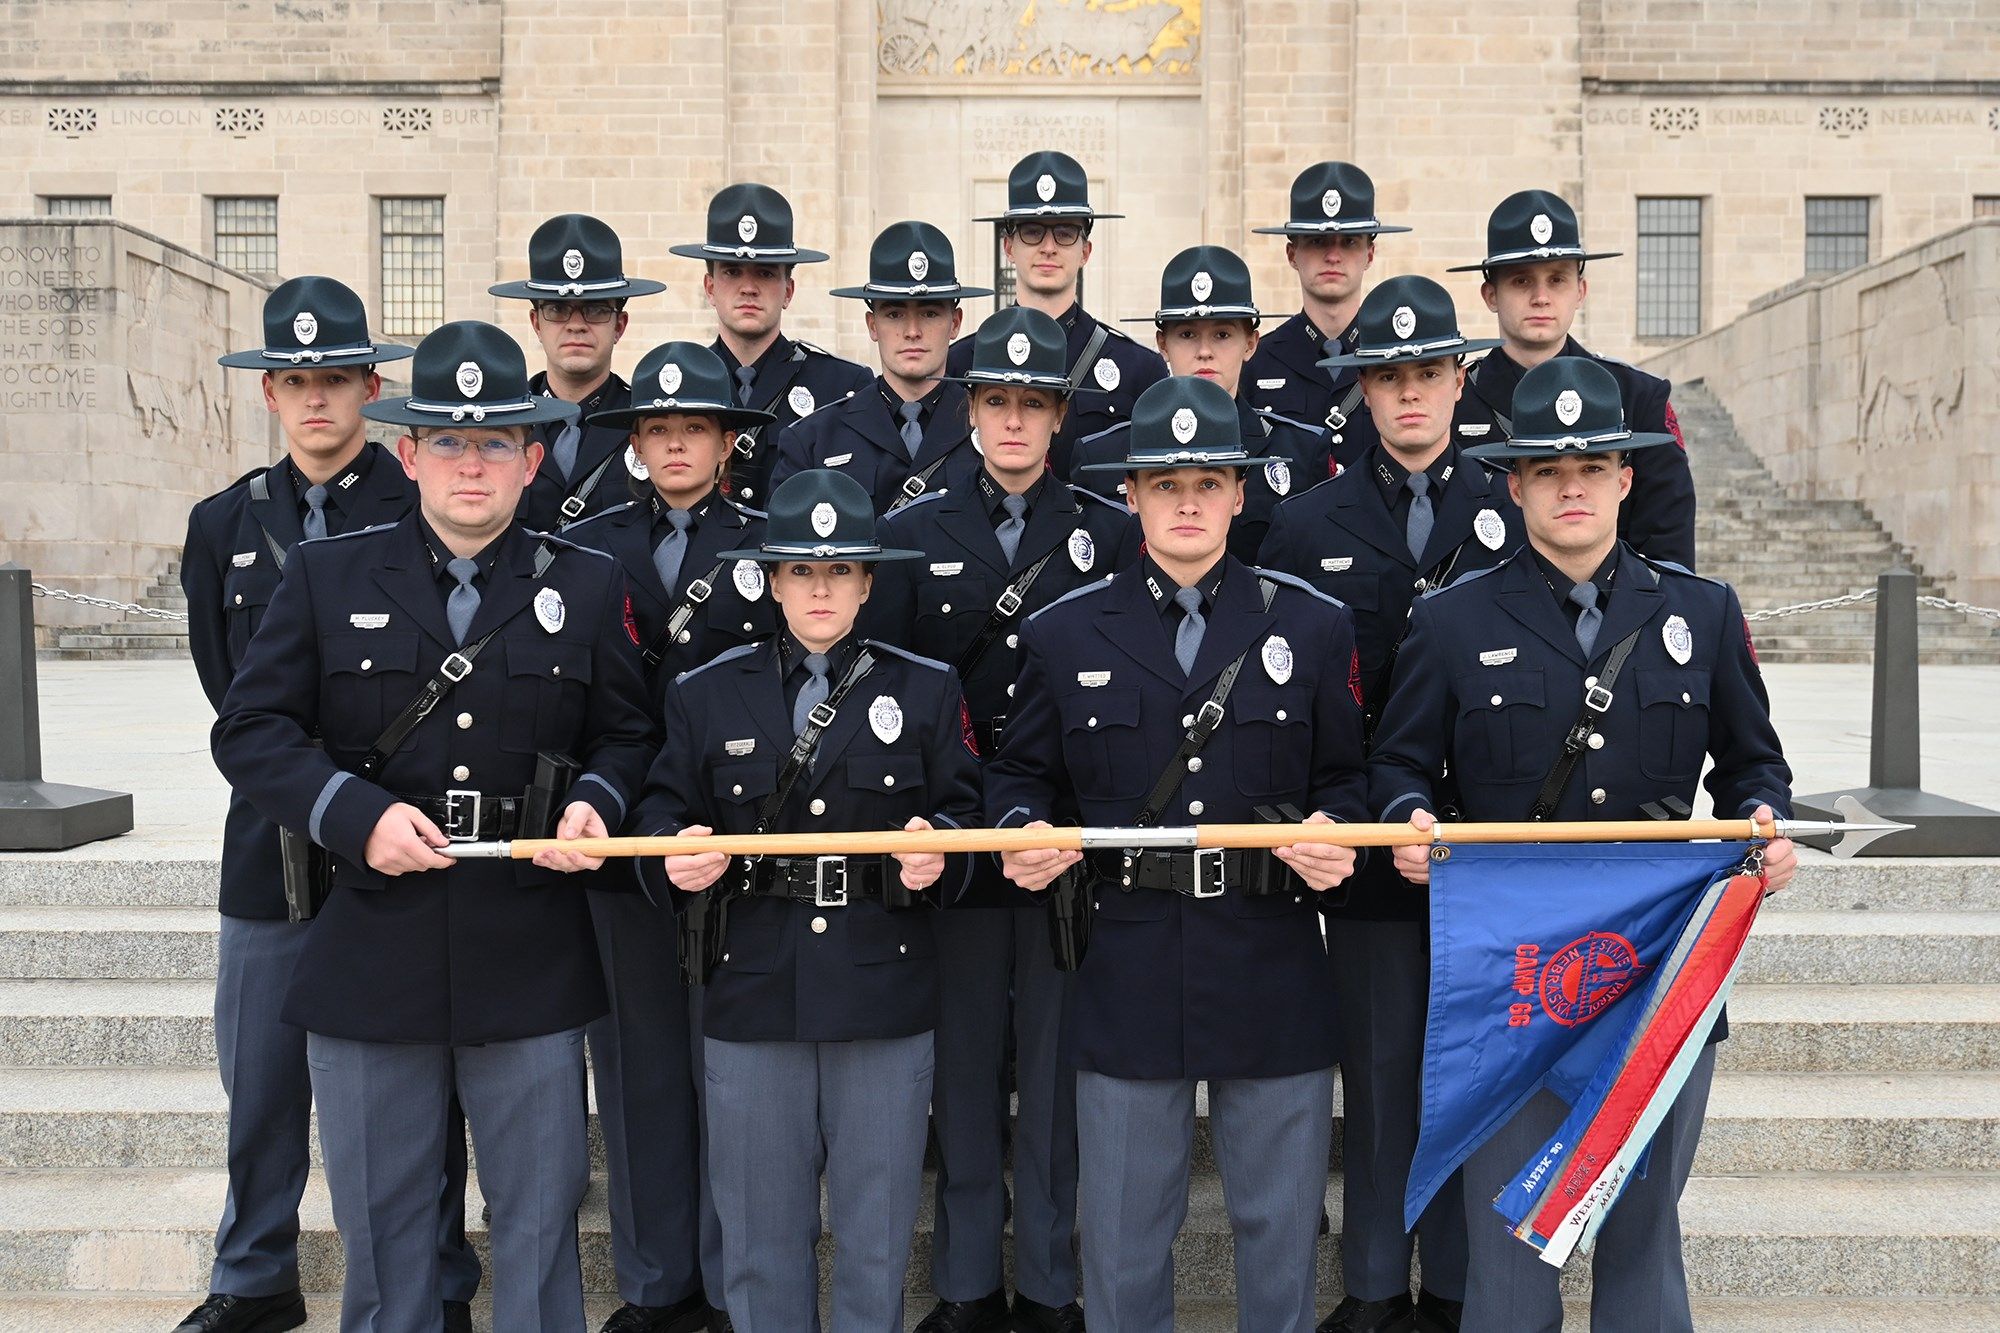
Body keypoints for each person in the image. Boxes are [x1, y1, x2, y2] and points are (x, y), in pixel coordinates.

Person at [210, 320, 657, 1333]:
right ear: (406, 451)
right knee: (384, 1231)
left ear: (532, 458)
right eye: (447, 442)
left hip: (529, 943)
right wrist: (352, 817)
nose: (471, 463)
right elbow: (251, 729)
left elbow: (631, 733)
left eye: (496, 441)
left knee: (539, 1227)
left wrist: (598, 801)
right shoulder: (328, 577)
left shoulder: (582, 582)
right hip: (372, 940)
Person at [1368, 357, 1797, 1333]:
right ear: (1512, 482)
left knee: (1642, 1241)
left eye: (1591, 465)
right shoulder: (1448, 620)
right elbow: (1395, 771)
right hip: (1514, 985)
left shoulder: (1700, 613)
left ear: (1622, 478)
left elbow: (1750, 769)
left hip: (1656, 982)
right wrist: (1405, 821)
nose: (1570, 485)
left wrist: (1766, 826)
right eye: (1547, 469)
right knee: (1510, 1254)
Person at [986, 375, 1368, 1333]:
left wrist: (1336, 836)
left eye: (1208, 480)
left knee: (1277, 1229)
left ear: (1241, 493)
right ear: (1131, 496)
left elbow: (1346, 780)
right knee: (1120, 1235)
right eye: (1165, 482)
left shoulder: (1311, 626)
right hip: (1127, 959)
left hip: (1271, 953)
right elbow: (1020, 775)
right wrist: (1023, 831)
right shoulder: (1067, 631)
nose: (1188, 500)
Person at [176, 275, 482, 1333]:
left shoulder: (419, 511)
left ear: (371, 387)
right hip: (268, 845)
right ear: (269, 393)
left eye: (336, 379)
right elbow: (235, 696)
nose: (315, 399)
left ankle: (436, 1277)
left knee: (415, 1091)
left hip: (387, 846)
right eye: (294, 380)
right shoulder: (223, 524)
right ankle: (254, 1272)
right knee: (259, 1079)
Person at [630, 468, 983, 1332]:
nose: (819, 588)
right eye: (800, 570)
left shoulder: (924, 688)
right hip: (752, 991)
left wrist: (942, 858)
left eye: (839, 572)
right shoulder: (705, 691)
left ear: (868, 581)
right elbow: (660, 815)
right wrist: (674, 857)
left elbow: (967, 820)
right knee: (758, 1241)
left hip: (882, 991)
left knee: (875, 1239)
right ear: (772, 579)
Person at [1259, 272, 1528, 1333]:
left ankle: (1457, 1289)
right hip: (1366, 845)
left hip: (1488, 848)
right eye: (1387, 377)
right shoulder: (1302, 520)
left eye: (1427, 373)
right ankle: (1372, 1286)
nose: (1408, 394)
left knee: (1470, 1078)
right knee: (1374, 1080)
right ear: (1360, 391)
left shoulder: (1512, 505)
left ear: (1460, 379)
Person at [863, 306, 1139, 1333]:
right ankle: (971, 1283)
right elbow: (880, 690)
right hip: (960, 849)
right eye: (995, 401)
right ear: (968, 407)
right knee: (967, 1070)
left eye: (1033, 403)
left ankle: (1053, 1286)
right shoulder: (908, 531)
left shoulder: (1110, 531)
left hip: (1064, 845)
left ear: (1060, 412)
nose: (1014, 421)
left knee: (1059, 1071)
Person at [564, 341, 779, 1333]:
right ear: (636, 444)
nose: (677, 443)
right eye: (657, 428)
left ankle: (736, 1281)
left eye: (695, 425)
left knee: (733, 1078)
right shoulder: (586, 545)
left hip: (733, 835)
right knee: (641, 1065)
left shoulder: (765, 539)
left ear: (728, 440)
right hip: (623, 834)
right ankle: (656, 1284)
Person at [1448, 190, 1698, 567]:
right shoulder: (1452, 397)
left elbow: (1666, 547)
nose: (1541, 298)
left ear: (1580, 290)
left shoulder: (1638, 397)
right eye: (1520, 281)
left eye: (1557, 280)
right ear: (1490, 294)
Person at [1070, 243, 1331, 559]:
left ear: (1251, 342)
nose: (1204, 351)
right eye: (1187, 335)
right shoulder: (1101, 456)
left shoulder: (1300, 451)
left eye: (1222, 335)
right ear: (1162, 343)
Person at [948, 150, 1166, 480]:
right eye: (1032, 231)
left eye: (1064, 233)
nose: (1048, 247)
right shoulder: (962, 363)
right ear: (1008, 248)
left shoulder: (1139, 370)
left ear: (1085, 251)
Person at [669, 182, 873, 509]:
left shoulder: (844, 386)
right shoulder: (678, 388)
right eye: (732, 271)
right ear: (709, 288)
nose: (748, 287)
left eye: (764, 273)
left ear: (789, 291)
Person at [770, 221, 991, 512]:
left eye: (929, 312)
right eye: (895, 313)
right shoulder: (813, 438)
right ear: (872, 325)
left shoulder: (994, 431)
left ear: (956, 323)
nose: (912, 331)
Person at [492, 212, 666, 531]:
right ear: (536, 324)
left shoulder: (649, 425)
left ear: (620, 325)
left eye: (596, 310)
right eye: (557, 310)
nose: (576, 325)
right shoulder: (502, 423)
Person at [1244, 161, 1412, 471]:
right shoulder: (1257, 361)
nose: (1333, 255)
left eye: (1349, 242)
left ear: (1370, 255)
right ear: (1292, 254)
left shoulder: (1396, 357)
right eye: (1318, 242)